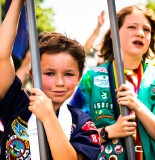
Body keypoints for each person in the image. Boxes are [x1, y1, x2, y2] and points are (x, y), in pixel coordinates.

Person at [0, 0, 101, 159]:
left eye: (68, 74)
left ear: (79, 78)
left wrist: (48, 117)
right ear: (33, 75)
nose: (59, 82)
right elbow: (2, 56)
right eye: (49, 73)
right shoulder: (16, 103)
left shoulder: (82, 123)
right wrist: (18, 3)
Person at [70, 5, 155, 160]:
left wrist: (136, 105)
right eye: (132, 27)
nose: (140, 33)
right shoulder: (92, 79)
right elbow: (74, 138)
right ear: (113, 34)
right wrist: (109, 131)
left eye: (146, 30)